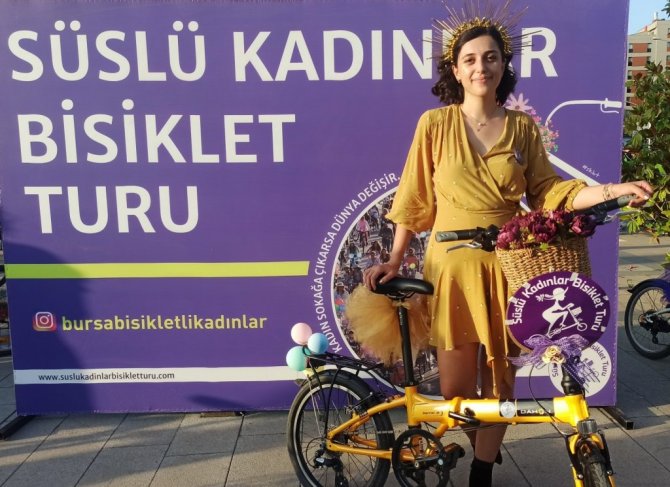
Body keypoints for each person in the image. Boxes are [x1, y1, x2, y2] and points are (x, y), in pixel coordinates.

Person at [362, 5, 653, 486]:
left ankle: (482, 469)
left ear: (504, 64)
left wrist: (609, 190)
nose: (481, 67)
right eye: (471, 59)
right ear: (456, 70)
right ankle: (477, 441)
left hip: (507, 266)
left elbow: (549, 191)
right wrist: (394, 258)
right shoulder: (434, 124)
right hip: (451, 270)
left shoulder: (522, 128)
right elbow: (412, 198)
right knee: (456, 389)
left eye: (491, 57)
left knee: (500, 377)